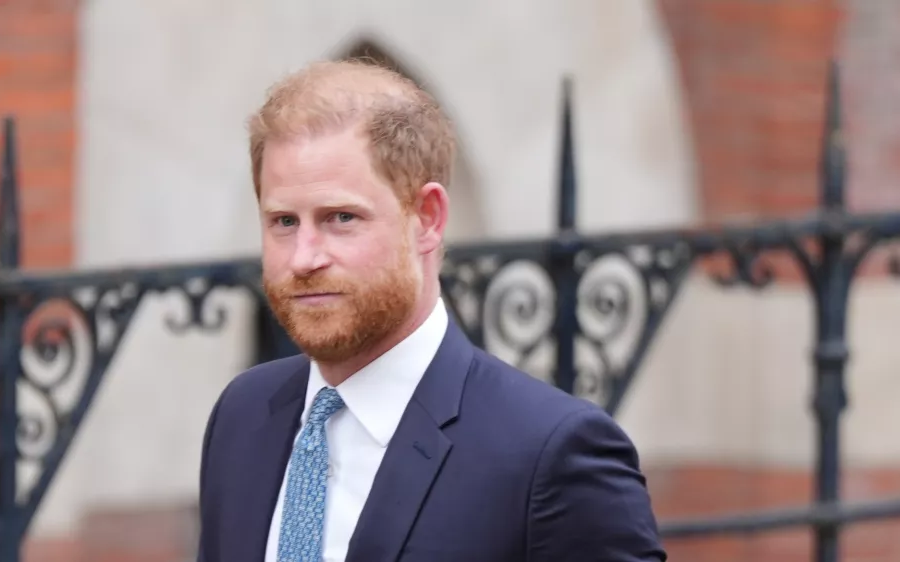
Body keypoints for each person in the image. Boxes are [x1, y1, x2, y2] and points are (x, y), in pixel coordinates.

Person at [196, 58, 667, 562]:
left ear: (427, 219)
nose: (305, 257)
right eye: (284, 221)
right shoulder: (243, 415)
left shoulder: (551, 454)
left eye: (341, 217)